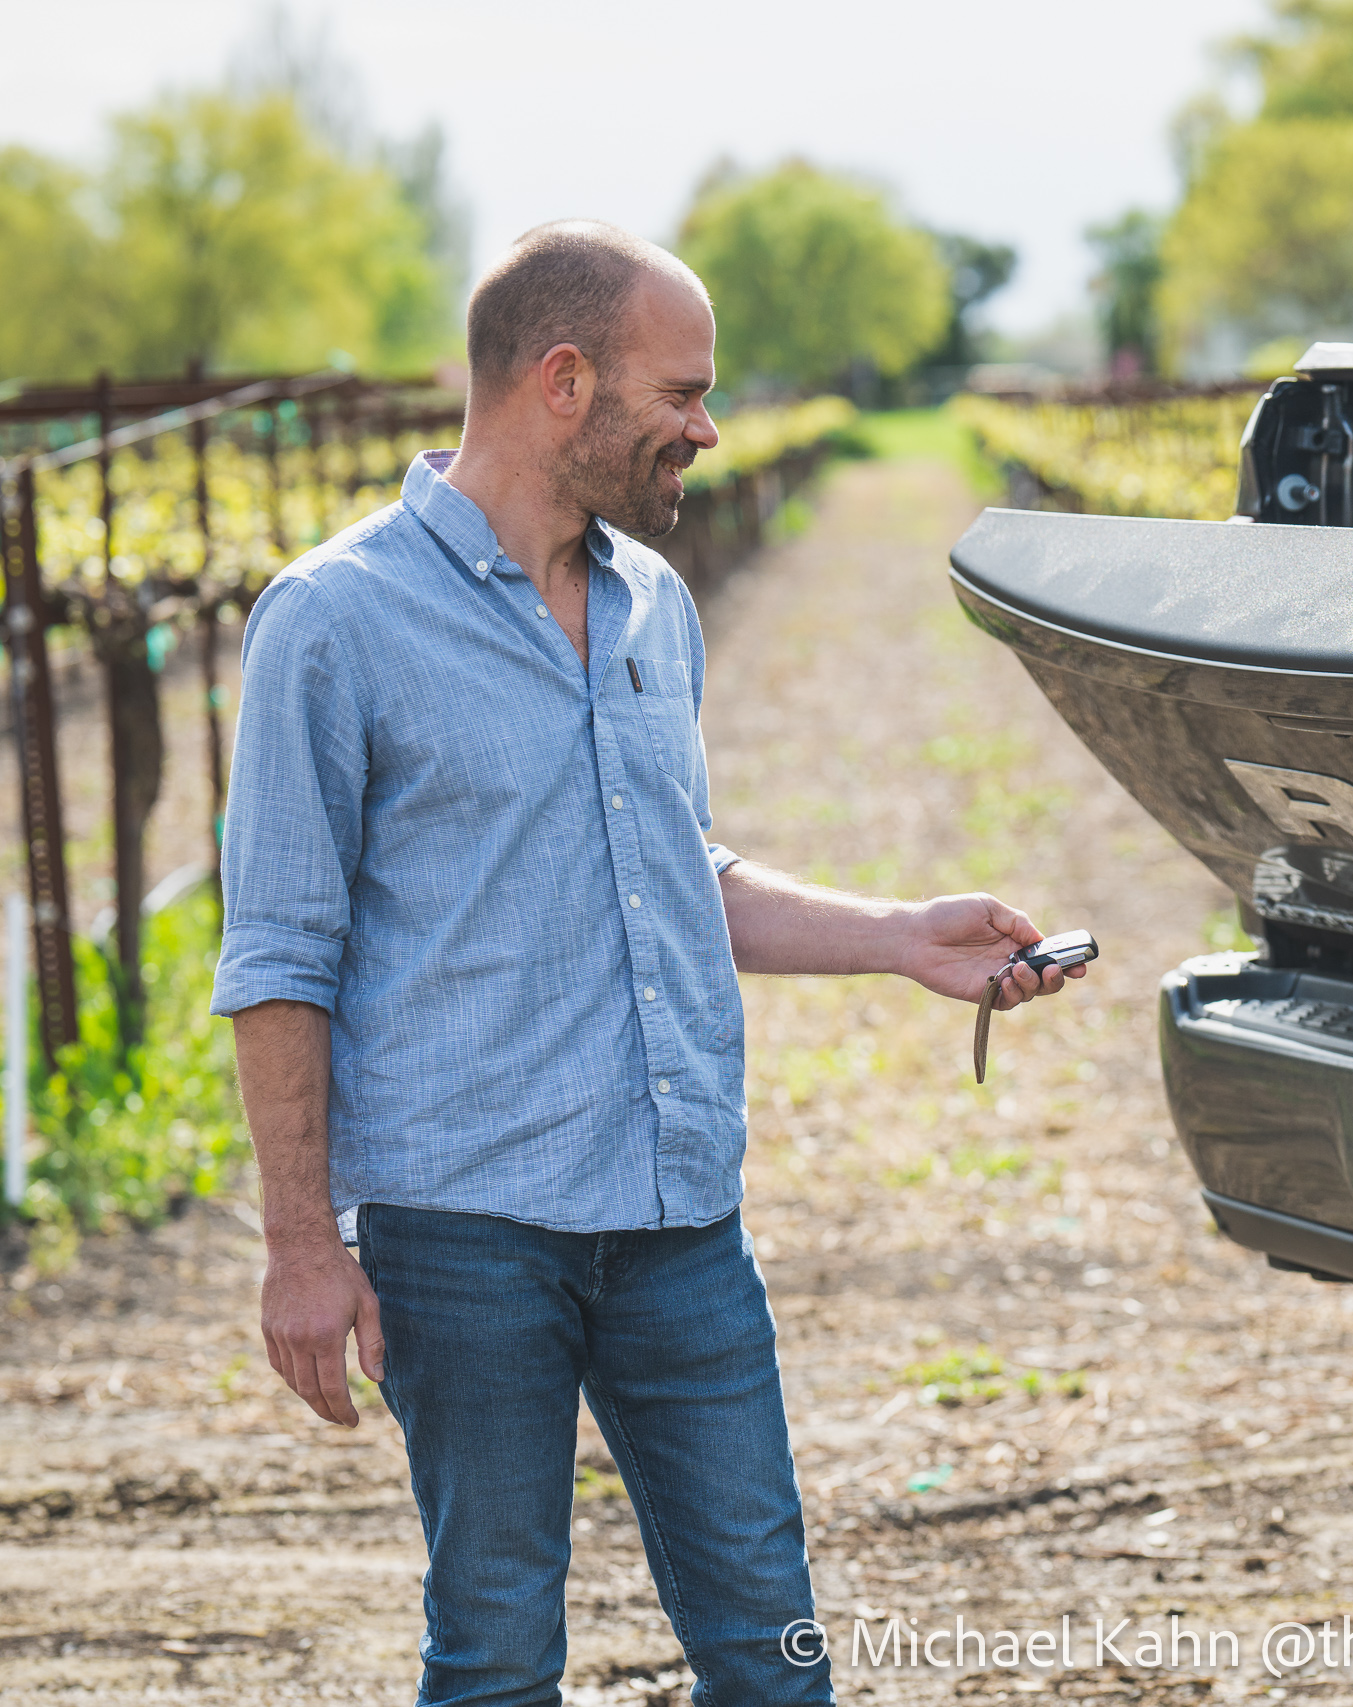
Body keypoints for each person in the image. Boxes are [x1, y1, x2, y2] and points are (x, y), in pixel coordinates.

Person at [212, 219, 1079, 1707]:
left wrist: (895, 940)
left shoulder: (651, 607)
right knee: (493, 1654)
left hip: (681, 1219)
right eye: (679, 393)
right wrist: (303, 1241)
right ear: (565, 382)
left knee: (771, 1649)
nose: (708, 427)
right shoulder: (336, 621)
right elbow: (279, 953)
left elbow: (677, 870)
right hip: (462, 1229)